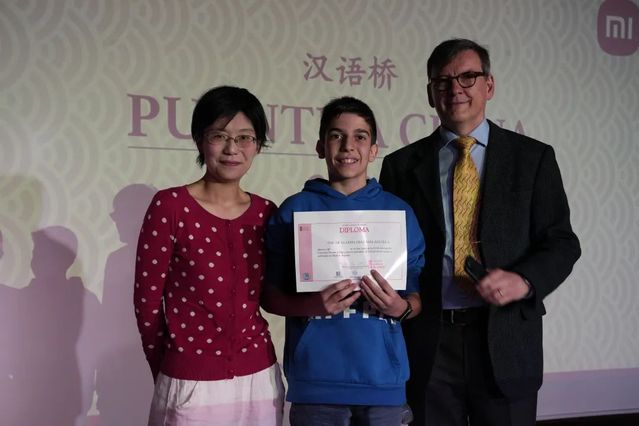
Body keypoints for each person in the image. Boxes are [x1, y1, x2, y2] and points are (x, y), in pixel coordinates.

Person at [379, 38, 581, 425]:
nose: (455, 88)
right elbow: (393, 252)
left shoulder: (533, 157)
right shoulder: (401, 166)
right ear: (430, 93)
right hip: (429, 341)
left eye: (468, 77)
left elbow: (561, 242)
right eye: (443, 81)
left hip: (506, 339)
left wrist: (524, 280)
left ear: (489, 85)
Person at [262, 96, 425, 426]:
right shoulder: (295, 210)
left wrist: (401, 308)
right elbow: (269, 296)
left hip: (383, 382)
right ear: (320, 147)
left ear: (374, 150)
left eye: (360, 137)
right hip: (316, 383)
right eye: (337, 135)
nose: (348, 145)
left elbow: (415, 297)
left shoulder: (398, 212)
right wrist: (312, 305)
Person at [133, 86, 284, 426]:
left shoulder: (266, 212)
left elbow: (270, 294)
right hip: (191, 381)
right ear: (200, 140)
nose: (233, 149)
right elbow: (147, 305)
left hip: (259, 379)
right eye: (219, 136)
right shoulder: (170, 206)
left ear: (258, 145)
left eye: (245, 138)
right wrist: (170, 367)